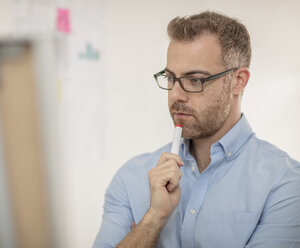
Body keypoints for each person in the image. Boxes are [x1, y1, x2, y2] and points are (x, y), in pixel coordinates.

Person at [93, 11, 300, 248]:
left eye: (195, 80)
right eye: (170, 78)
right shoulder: (131, 178)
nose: (175, 95)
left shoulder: (286, 184)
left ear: (238, 81)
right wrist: (153, 219)